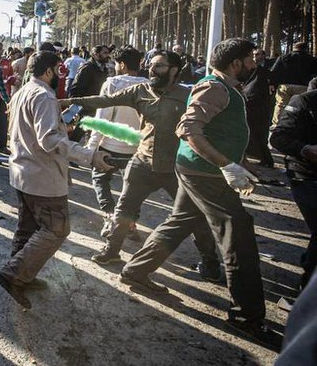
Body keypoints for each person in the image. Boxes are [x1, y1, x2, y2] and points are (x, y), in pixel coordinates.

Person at [120, 38, 281, 348]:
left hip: (201, 170)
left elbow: (222, 131)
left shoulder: (226, 88)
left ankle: (135, 271)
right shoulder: (215, 88)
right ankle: (246, 316)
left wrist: (241, 163)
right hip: (205, 173)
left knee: (180, 221)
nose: (255, 64)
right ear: (236, 63)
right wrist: (226, 165)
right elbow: (189, 128)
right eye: (250, 59)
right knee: (238, 232)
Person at [60, 51, 221, 275]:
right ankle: (111, 250)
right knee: (124, 208)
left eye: (159, 66)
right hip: (142, 162)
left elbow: (209, 123)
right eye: (151, 65)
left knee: (193, 214)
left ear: (174, 70)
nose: (152, 70)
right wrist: (68, 101)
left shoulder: (188, 95)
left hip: (175, 167)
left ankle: (210, 262)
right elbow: (105, 101)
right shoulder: (140, 90)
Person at [0, 51, 112, 309]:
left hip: (24, 173)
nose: (60, 76)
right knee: (56, 229)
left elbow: (33, 131)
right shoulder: (45, 96)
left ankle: (24, 275)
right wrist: (88, 155)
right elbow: (48, 141)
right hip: (42, 177)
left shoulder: (24, 91)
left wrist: (62, 126)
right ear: (48, 71)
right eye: (58, 70)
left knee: (28, 227)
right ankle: (14, 274)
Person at [84, 47, 147, 226]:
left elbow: (102, 117)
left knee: (100, 179)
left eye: (116, 63)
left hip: (110, 147)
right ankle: (130, 221)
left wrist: (91, 147)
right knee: (134, 187)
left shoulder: (112, 84)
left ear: (122, 64)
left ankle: (110, 214)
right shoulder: (148, 85)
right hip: (137, 148)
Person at [270, 76, 317, 290]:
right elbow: (278, 138)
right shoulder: (303, 102)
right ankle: (307, 286)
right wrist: (304, 150)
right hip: (305, 175)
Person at [270, 41, 317, 125]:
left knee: (281, 106)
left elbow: (274, 72)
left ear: (294, 48)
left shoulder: (283, 58)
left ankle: (277, 125)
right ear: (306, 49)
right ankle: (298, 126)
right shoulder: (312, 59)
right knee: (301, 107)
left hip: (285, 86)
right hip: (303, 87)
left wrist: (272, 83)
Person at [244, 48, 275, 167]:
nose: (255, 57)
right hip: (254, 106)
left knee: (258, 134)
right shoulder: (253, 71)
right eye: (253, 55)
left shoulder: (263, 71)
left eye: (257, 55)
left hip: (258, 107)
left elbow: (256, 89)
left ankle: (265, 159)